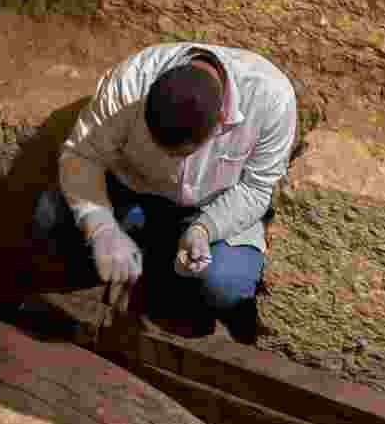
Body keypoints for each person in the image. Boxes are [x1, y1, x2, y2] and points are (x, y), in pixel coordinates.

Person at [31, 42, 299, 341]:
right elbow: (81, 155)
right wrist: (101, 227)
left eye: (181, 154)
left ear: (221, 123)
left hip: (212, 204)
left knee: (226, 284)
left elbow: (255, 188)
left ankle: (156, 273)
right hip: (134, 189)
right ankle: (135, 256)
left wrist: (204, 229)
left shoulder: (271, 98)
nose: (172, 164)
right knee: (50, 219)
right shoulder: (131, 80)